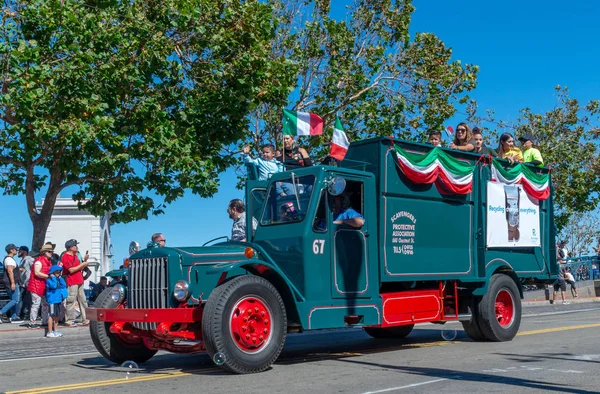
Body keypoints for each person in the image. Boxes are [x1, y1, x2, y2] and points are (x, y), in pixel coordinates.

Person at [61, 239, 90, 326]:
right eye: (75, 245)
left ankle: (86, 319)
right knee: (71, 300)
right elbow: (71, 270)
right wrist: (83, 264)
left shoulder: (75, 256)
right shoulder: (65, 257)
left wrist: (84, 261)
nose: (77, 247)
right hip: (72, 281)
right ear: (70, 247)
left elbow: (78, 268)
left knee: (83, 300)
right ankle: (69, 320)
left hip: (79, 280)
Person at [27, 242, 54, 329]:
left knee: (45, 304)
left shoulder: (48, 262)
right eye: (49, 251)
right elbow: (37, 272)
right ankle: (32, 322)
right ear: (44, 252)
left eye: (52, 251)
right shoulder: (39, 261)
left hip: (43, 286)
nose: (51, 253)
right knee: (36, 304)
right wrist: (48, 276)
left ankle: (45, 321)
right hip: (36, 286)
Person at [0, 244, 24, 323]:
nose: (16, 250)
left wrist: (18, 269)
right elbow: (10, 271)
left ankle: (14, 317)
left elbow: (11, 270)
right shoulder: (9, 260)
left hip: (10, 283)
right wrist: (13, 283)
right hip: (11, 283)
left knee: (13, 299)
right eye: (15, 249)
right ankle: (1, 312)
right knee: (15, 300)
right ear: (11, 250)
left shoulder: (9, 260)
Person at [45, 265, 67, 337]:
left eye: (59, 272)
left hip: (57, 300)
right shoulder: (49, 280)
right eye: (56, 272)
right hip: (52, 300)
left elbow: (63, 285)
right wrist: (53, 278)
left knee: (57, 316)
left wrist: (60, 278)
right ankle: (50, 331)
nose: (58, 274)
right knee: (51, 315)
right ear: (52, 273)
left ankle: (56, 330)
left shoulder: (58, 279)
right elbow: (53, 286)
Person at [18, 246, 34, 320]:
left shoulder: (30, 259)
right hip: (23, 283)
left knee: (29, 299)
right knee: (23, 299)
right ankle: (22, 314)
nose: (18, 252)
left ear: (25, 251)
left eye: (20, 250)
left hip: (29, 282)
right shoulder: (22, 261)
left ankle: (27, 314)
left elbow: (34, 269)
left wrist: (31, 280)